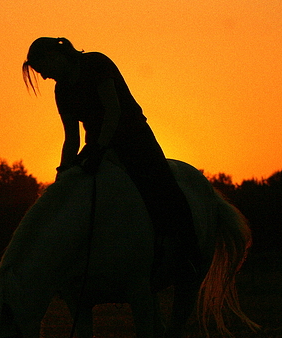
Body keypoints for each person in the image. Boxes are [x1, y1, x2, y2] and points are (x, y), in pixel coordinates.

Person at [22, 37, 200, 286]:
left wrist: (99, 148)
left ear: (54, 56)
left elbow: (113, 110)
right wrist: (63, 174)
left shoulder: (96, 63)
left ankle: (188, 256)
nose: (43, 77)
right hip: (97, 146)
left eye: (42, 69)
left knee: (164, 188)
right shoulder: (61, 89)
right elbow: (71, 138)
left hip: (134, 138)